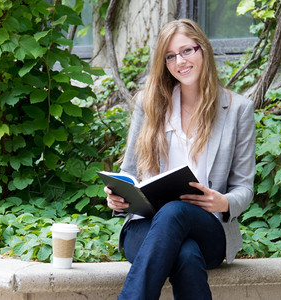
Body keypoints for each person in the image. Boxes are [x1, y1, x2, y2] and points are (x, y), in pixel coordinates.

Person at [104, 19, 256, 300]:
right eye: (170, 56)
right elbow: (128, 172)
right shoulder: (148, 105)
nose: (180, 61)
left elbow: (245, 188)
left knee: (175, 211)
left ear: (203, 50)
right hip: (146, 226)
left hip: (207, 226)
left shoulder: (238, 111)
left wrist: (223, 202)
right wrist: (118, 196)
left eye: (187, 50)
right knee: (185, 255)